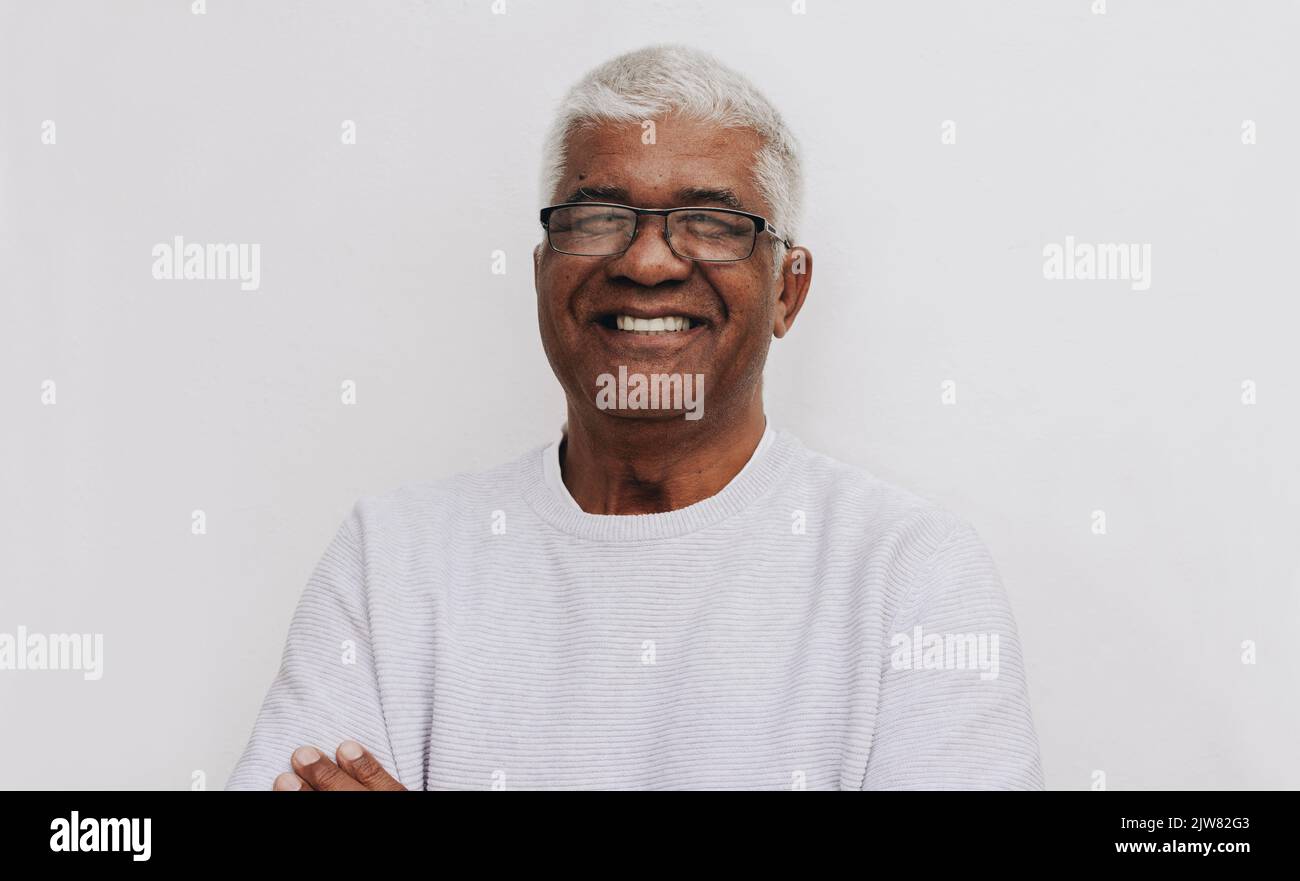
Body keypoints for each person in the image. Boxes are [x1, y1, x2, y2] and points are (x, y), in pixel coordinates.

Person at [227, 44, 1043, 791]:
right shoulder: (392, 560)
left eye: (713, 222)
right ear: (545, 271)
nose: (647, 261)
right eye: (598, 217)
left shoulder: (911, 575)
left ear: (788, 290)